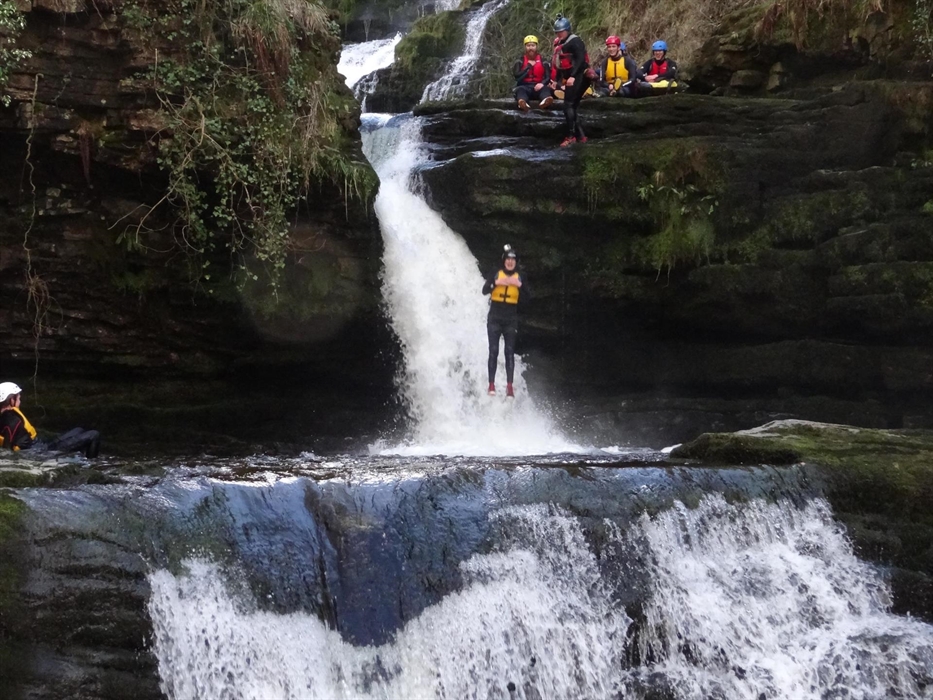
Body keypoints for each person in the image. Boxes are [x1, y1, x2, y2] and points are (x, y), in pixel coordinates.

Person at [0, 382, 101, 458]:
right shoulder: (12, 421)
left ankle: (80, 458)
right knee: (94, 435)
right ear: (11, 400)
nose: (20, 401)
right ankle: (91, 466)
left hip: (40, 445)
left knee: (79, 430)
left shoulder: (7, 416)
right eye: (18, 398)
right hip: (41, 453)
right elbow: (8, 450)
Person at [482, 245, 526, 399]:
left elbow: (528, 296)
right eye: (508, 259)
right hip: (494, 318)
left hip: (510, 320)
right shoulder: (496, 273)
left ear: (516, 262)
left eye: (513, 260)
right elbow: (485, 290)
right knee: (493, 351)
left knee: (509, 351)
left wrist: (519, 285)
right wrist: (497, 283)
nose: (510, 262)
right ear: (504, 261)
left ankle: (509, 386)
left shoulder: (520, 276)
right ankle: (491, 384)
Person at [549, 15, 591, 147]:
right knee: (571, 106)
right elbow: (560, 66)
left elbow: (580, 60)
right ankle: (581, 136)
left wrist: (572, 76)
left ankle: (571, 136)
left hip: (580, 76)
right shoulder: (561, 44)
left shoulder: (575, 41)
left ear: (567, 30)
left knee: (568, 105)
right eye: (557, 32)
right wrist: (556, 80)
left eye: (560, 32)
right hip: (571, 77)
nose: (558, 34)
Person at [513, 35, 555, 112]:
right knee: (520, 90)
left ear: (536, 46)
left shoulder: (543, 60)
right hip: (524, 86)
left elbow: (548, 76)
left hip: (539, 87)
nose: (531, 48)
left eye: (533, 45)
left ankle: (546, 100)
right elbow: (517, 76)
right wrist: (528, 66)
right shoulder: (520, 60)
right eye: (528, 46)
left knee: (545, 89)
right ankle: (523, 102)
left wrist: (542, 83)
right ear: (525, 47)